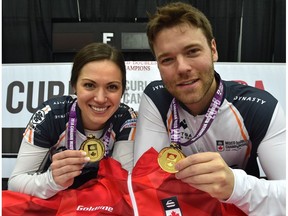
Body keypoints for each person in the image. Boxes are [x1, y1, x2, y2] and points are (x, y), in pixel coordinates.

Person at [134, 2, 286, 215]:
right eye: (167, 59)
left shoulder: (261, 108)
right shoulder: (156, 98)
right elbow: (145, 184)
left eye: (193, 51)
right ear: (158, 65)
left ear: (213, 49)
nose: (183, 68)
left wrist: (235, 186)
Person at [8, 42, 138, 199]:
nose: (100, 98)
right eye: (89, 85)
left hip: (103, 203)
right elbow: (15, 183)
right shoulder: (51, 115)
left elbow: (123, 184)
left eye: (112, 87)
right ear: (74, 86)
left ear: (123, 90)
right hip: (56, 201)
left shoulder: (126, 119)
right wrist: (52, 181)